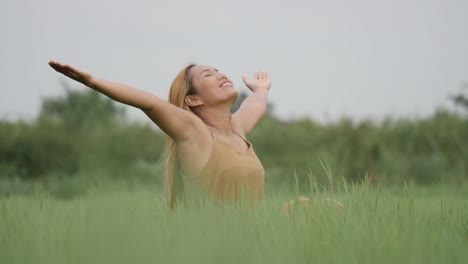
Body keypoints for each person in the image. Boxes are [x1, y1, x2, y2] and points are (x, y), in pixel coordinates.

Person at [48, 61, 271, 208]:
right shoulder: (195, 134)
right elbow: (150, 103)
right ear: (193, 100)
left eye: (218, 70)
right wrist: (93, 82)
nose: (219, 74)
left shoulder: (237, 129)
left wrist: (261, 89)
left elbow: (256, 105)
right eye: (208, 74)